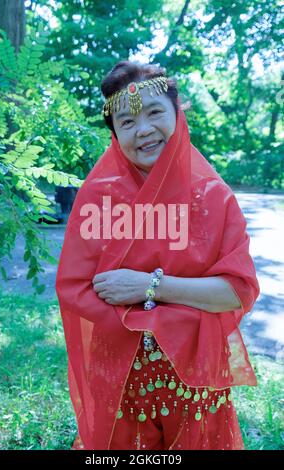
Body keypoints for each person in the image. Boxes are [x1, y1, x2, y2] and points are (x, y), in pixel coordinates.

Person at [55, 60, 260, 451]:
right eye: (127, 123)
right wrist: (186, 307)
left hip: (196, 386)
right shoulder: (98, 201)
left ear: (177, 114)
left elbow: (237, 291)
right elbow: (74, 288)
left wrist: (149, 287)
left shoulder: (214, 199)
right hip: (121, 383)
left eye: (153, 113)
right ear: (115, 134)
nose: (143, 130)